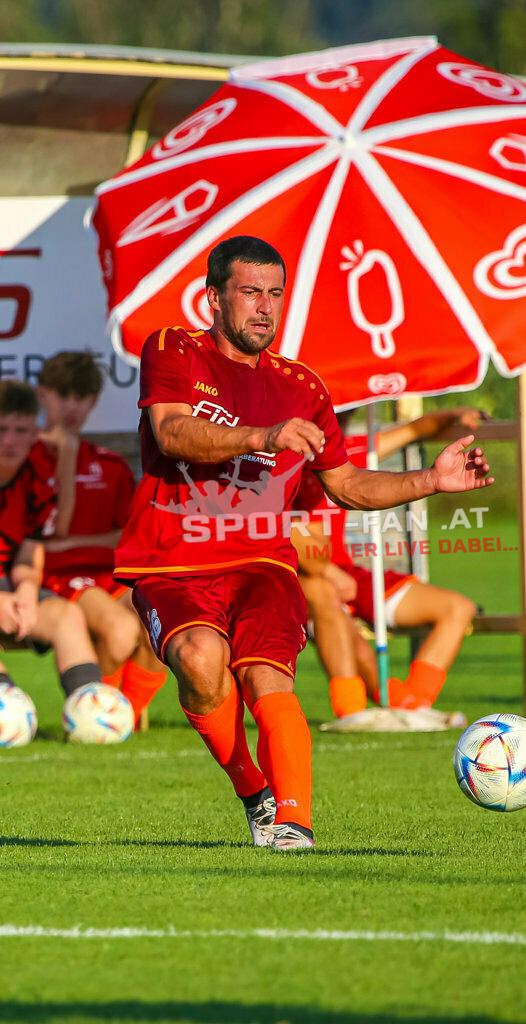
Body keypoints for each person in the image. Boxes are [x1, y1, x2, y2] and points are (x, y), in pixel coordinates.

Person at [114, 235, 493, 851]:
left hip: (263, 561)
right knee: (200, 664)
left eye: (275, 294)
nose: (265, 307)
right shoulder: (173, 348)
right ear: (214, 298)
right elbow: (173, 432)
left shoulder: (303, 387)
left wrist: (431, 479)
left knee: (268, 681)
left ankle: (292, 823)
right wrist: (262, 435)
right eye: (250, 292)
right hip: (172, 559)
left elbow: (344, 484)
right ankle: (253, 792)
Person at [293, 409, 489, 717]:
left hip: (348, 572)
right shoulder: (282, 460)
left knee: (457, 609)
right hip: (300, 576)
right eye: (335, 413)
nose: (341, 421)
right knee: (348, 633)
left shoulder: (351, 448)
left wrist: (455, 415)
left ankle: (413, 709)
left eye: (347, 413)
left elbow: (415, 429)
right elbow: (289, 536)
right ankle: (353, 713)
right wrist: (328, 571)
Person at [37, 352, 167, 727]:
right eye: (63, 395)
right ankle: (96, 715)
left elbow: (124, 535)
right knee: (121, 630)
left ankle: (124, 712)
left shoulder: (109, 464)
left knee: (164, 618)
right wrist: (62, 547)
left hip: (109, 574)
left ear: (93, 402)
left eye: (81, 398)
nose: (72, 406)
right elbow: (40, 537)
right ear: (43, 395)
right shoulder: (24, 459)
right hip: (58, 580)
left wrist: (69, 542)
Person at [0, 380, 105, 698]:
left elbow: (29, 555)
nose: (9, 441)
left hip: (8, 584)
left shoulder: (40, 479)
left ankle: (91, 711)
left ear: (35, 433)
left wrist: (28, 590)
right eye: (2, 428)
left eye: (20, 430)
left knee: (67, 615)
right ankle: (7, 706)